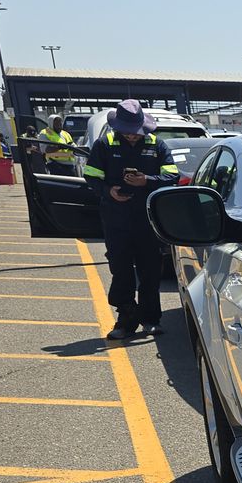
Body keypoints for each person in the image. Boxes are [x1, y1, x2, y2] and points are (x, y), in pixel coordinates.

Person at [82, 100, 178, 340]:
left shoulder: (157, 145)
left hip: (148, 221)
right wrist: (109, 191)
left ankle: (151, 320)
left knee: (150, 272)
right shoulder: (104, 144)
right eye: (127, 132)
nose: (132, 137)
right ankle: (125, 320)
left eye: (136, 133)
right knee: (121, 271)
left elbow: (172, 175)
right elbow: (91, 176)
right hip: (117, 221)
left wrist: (148, 180)